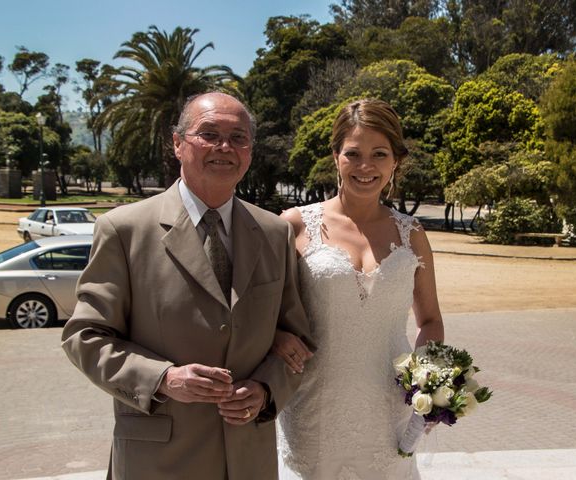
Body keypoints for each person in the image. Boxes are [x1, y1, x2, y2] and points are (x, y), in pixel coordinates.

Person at [61, 92, 313, 480]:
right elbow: (85, 336)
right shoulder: (123, 230)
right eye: (209, 134)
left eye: (239, 137)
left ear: (250, 151)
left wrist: (266, 391)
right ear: (178, 143)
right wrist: (163, 379)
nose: (225, 147)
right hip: (158, 461)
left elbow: (296, 340)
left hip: (249, 459)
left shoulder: (274, 232)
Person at [273, 98, 445, 479]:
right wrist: (277, 337)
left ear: (395, 161)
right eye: (353, 153)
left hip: (390, 412)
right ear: (335, 156)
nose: (366, 167)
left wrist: (430, 382)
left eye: (379, 154)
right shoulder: (295, 226)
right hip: (315, 409)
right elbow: (262, 311)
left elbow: (430, 319)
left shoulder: (412, 233)